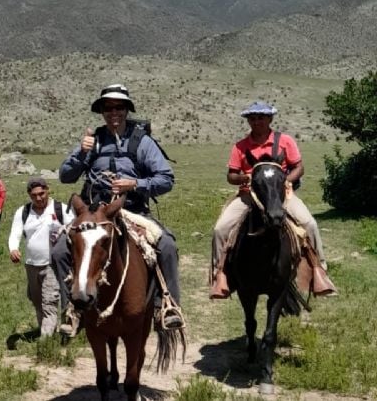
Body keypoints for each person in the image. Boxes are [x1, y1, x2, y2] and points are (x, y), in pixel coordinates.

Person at [58, 83, 184, 331]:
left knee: (167, 245)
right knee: (59, 251)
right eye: (108, 107)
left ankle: (166, 305)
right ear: (102, 111)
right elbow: (65, 176)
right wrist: (81, 155)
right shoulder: (91, 142)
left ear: (127, 110)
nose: (113, 112)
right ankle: (72, 310)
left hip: (132, 211)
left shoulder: (143, 143)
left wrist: (135, 184)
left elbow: (166, 179)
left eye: (119, 107)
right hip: (95, 214)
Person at [210, 100, 330, 298]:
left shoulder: (285, 141)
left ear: (270, 119)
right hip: (250, 195)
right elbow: (231, 175)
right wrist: (244, 177)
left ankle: (319, 271)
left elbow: (299, 167)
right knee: (220, 229)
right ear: (248, 121)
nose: (257, 122)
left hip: (280, 193)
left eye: (261, 118)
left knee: (309, 224)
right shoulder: (240, 146)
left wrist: (285, 181)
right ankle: (219, 275)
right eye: (253, 118)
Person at [8, 177, 75, 336]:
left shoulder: (61, 209)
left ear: (48, 190)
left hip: (51, 264)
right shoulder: (23, 212)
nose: (38, 198)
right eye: (34, 195)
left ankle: (46, 340)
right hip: (31, 265)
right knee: (37, 300)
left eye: (41, 193)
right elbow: (15, 233)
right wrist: (13, 249)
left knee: (49, 302)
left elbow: (75, 229)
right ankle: (44, 329)